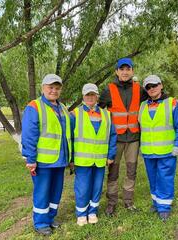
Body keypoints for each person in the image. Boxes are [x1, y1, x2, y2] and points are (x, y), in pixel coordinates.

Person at [21, 74, 72, 235]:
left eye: (57, 88)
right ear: (43, 88)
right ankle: (41, 222)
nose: (54, 91)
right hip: (42, 161)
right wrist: (30, 159)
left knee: (56, 191)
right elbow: (29, 135)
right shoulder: (34, 106)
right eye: (50, 87)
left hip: (60, 160)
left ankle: (50, 218)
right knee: (42, 192)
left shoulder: (63, 108)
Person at [99, 58, 148, 216]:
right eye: (122, 69)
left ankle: (128, 201)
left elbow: (155, 97)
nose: (125, 72)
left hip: (133, 138)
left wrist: (168, 98)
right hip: (115, 140)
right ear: (117, 72)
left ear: (132, 71)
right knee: (113, 171)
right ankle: (112, 203)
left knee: (131, 171)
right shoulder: (109, 90)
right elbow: (97, 111)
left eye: (128, 69)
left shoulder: (139, 89)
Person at [139, 75, 178, 221]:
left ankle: (164, 207)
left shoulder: (172, 104)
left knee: (165, 179)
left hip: (167, 151)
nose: (151, 88)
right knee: (152, 179)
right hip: (148, 152)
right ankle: (156, 202)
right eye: (148, 87)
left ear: (161, 85)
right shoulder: (142, 106)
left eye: (154, 85)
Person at [70, 83, 117, 226]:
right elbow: (69, 138)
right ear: (83, 96)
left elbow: (112, 136)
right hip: (82, 160)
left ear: (97, 96)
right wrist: (71, 159)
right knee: (83, 187)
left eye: (93, 95)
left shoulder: (107, 115)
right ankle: (81, 214)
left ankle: (92, 212)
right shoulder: (75, 114)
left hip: (100, 159)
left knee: (97, 186)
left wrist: (110, 155)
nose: (90, 97)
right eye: (87, 94)